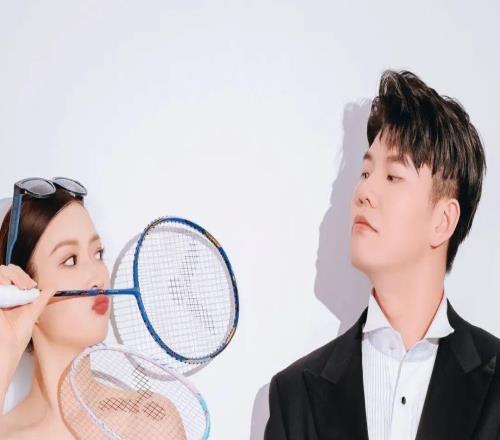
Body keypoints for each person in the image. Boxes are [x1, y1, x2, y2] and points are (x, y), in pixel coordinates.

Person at [264, 70, 500, 440]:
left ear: (443, 221)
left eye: (392, 176)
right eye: (365, 172)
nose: (363, 192)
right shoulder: (295, 395)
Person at [0, 185, 186, 439]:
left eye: (98, 253)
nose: (98, 277)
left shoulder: (149, 419)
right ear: (23, 289)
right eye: (70, 260)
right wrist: (5, 352)